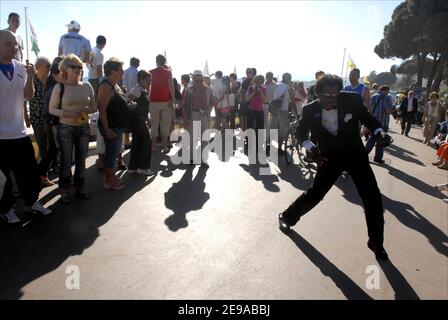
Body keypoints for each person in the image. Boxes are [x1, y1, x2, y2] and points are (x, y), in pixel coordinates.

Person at [278, 74, 393, 261]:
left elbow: (368, 119)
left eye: (335, 94)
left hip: (356, 156)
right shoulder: (310, 109)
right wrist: (312, 149)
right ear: (317, 93)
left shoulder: (351, 100)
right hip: (328, 158)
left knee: (372, 198)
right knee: (316, 194)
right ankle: (286, 217)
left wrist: (380, 132)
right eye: (326, 95)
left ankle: (376, 243)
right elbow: (300, 133)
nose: (331, 98)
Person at [0, 30, 51, 224]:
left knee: (29, 172)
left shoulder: (21, 68)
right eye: (8, 44)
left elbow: (27, 97)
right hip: (1, 136)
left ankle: (31, 202)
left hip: (19, 133)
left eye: (15, 44)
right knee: (4, 179)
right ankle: (6, 209)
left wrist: (30, 76)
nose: (14, 47)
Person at [49, 54, 96, 204]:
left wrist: (89, 109)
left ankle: (80, 187)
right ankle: (63, 190)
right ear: (65, 69)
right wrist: (68, 113)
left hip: (83, 126)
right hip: (66, 128)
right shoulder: (60, 87)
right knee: (66, 160)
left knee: (81, 160)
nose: (77, 69)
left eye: (79, 67)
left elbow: (94, 106)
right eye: (73, 67)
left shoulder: (87, 86)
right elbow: (52, 109)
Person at [97, 58, 134, 190]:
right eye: (120, 70)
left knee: (112, 152)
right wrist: (106, 129)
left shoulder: (115, 85)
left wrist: (129, 105)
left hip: (117, 126)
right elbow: (102, 109)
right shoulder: (106, 86)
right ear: (112, 71)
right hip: (112, 127)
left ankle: (109, 177)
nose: (123, 72)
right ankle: (109, 180)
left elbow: (121, 102)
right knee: (111, 154)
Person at [183, 70, 214, 166]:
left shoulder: (208, 89)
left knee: (204, 138)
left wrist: (207, 112)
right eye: (196, 80)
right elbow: (186, 105)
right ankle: (192, 158)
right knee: (192, 138)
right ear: (193, 79)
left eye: (199, 80)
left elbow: (212, 102)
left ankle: (203, 159)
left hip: (204, 115)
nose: (198, 82)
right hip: (193, 114)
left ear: (201, 79)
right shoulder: (189, 89)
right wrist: (185, 119)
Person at [127, 70, 155, 176]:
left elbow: (144, 107)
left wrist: (148, 119)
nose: (150, 82)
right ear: (141, 79)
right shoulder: (137, 89)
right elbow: (128, 102)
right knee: (147, 141)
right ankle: (143, 167)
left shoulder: (143, 90)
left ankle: (133, 167)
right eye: (148, 80)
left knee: (137, 143)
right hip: (138, 120)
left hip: (140, 120)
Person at [149, 54, 175, 153]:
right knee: (165, 125)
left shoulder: (150, 72)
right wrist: (173, 100)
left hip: (153, 101)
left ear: (156, 61)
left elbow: (148, 87)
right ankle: (165, 146)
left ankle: (153, 146)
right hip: (166, 102)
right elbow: (171, 86)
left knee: (154, 124)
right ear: (164, 62)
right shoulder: (168, 73)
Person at [365, 85, 395, 164]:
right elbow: (388, 111)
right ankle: (378, 158)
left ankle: (363, 154)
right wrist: (392, 110)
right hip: (383, 122)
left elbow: (369, 109)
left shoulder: (373, 96)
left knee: (372, 138)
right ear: (386, 90)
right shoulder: (387, 97)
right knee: (382, 140)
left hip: (374, 122)